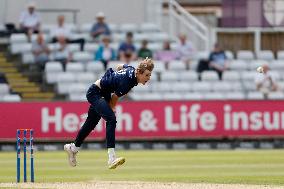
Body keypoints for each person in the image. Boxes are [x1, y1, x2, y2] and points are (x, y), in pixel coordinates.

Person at [64, 57, 154, 169]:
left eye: (149, 75)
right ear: (139, 73)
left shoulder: (131, 69)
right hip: (95, 93)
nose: (148, 78)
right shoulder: (128, 82)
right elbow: (115, 97)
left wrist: (115, 78)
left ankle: (73, 148)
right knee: (111, 119)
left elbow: (120, 66)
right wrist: (112, 107)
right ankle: (111, 158)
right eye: (146, 75)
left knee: (90, 124)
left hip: (103, 93)